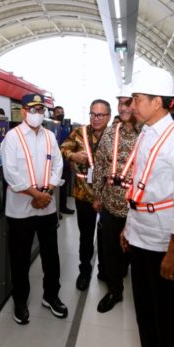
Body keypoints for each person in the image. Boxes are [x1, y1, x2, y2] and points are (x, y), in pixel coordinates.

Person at [120, 70, 174, 347]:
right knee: (144, 308)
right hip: (140, 232)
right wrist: (127, 227)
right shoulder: (146, 133)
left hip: (165, 241)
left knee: (166, 314)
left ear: (158, 102)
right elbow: (139, 186)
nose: (132, 104)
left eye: (137, 99)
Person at [0, 93, 68, 325]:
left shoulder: (49, 136)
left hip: (46, 206)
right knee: (19, 258)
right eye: (32, 109)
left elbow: (57, 165)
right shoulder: (12, 137)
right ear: (23, 111)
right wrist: (35, 194)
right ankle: (20, 301)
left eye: (40, 110)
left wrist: (47, 192)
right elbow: (10, 172)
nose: (37, 114)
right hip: (21, 209)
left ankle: (51, 296)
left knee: (51, 255)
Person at [92, 85, 139, 313]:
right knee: (110, 250)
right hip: (110, 203)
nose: (124, 107)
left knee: (133, 252)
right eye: (121, 103)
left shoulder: (146, 134)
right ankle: (114, 291)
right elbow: (100, 165)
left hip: (136, 208)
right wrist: (97, 196)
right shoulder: (111, 133)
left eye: (128, 102)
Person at [61, 99, 111, 290]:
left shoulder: (114, 135)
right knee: (85, 235)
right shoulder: (80, 132)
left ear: (108, 116)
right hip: (83, 194)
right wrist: (72, 156)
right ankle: (84, 270)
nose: (96, 119)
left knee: (106, 235)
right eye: (92, 114)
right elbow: (63, 148)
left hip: (107, 196)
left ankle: (105, 270)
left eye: (100, 115)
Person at [52, 106, 75, 216]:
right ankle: (56, 210)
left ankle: (63, 207)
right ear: (53, 114)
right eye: (58, 112)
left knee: (64, 186)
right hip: (56, 163)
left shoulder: (65, 127)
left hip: (66, 162)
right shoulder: (51, 127)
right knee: (56, 187)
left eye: (62, 112)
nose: (61, 114)